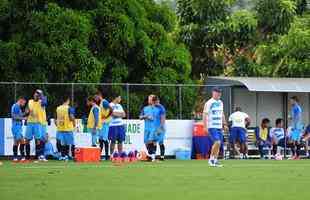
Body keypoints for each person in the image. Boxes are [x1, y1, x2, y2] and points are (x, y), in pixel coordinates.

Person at [203, 87, 227, 167]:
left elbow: (222, 113)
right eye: (217, 92)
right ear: (213, 93)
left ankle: (215, 160)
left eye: (220, 92)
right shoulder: (209, 102)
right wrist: (205, 126)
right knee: (217, 142)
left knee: (218, 144)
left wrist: (224, 124)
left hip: (219, 127)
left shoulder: (221, 102)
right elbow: (205, 114)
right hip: (212, 126)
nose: (219, 94)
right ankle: (211, 159)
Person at [25, 89, 47, 161]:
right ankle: (27, 157)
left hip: (38, 122)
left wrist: (41, 94)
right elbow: (27, 110)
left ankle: (37, 156)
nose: (36, 95)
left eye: (38, 94)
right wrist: (27, 112)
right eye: (35, 93)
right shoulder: (30, 101)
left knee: (38, 139)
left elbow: (44, 103)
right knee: (27, 139)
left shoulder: (42, 101)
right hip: (30, 122)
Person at [56, 96, 75, 161]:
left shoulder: (58, 108)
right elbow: (71, 117)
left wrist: (58, 125)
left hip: (60, 128)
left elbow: (55, 119)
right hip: (68, 128)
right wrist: (74, 123)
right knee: (70, 143)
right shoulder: (69, 108)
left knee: (62, 143)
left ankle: (62, 155)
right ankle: (69, 155)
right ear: (68, 100)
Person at [140, 95, 158, 162]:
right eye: (148, 99)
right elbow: (140, 117)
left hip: (154, 128)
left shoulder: (157, 109)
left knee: (152, 141)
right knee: (146, 142)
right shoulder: (145, 108)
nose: (148, 100)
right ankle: (151, 155)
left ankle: (152, 157)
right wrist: (145, 116)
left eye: (150, 99)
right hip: (146, 128)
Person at [11, 97, 27, 161]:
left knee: (16, 141)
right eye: (24, 103)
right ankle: (22, 157)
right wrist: (24, 118)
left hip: (16, 126)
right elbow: (14, 117)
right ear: (21, 100)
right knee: (21, 140)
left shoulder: (16, 106)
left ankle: (15, 157)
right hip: (16, 126)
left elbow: (18, 115)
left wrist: (25, 113)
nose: (24, 104)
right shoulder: (17, 106)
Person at [96, 92, 112, 160]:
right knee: (101, 140)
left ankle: (107, 156)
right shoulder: (101, 103)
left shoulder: (104, 102)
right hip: (102, 123)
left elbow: (111, 109)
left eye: (96, 97)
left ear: (99, 95)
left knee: (105, 140)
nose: (95, 98)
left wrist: (106, 116)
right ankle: (99, 156)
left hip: (105, 123)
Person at [154, 96, 166, 161]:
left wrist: (160, 128)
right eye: (156, 102)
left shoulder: (161, 108)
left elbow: (163, 119)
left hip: (161, 126)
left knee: (160, 142)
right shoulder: (153, 107)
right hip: (155, 126)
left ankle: (162, 156)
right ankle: (154, 156)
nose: (157, 103)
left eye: (157, 101)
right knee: (155, 141)